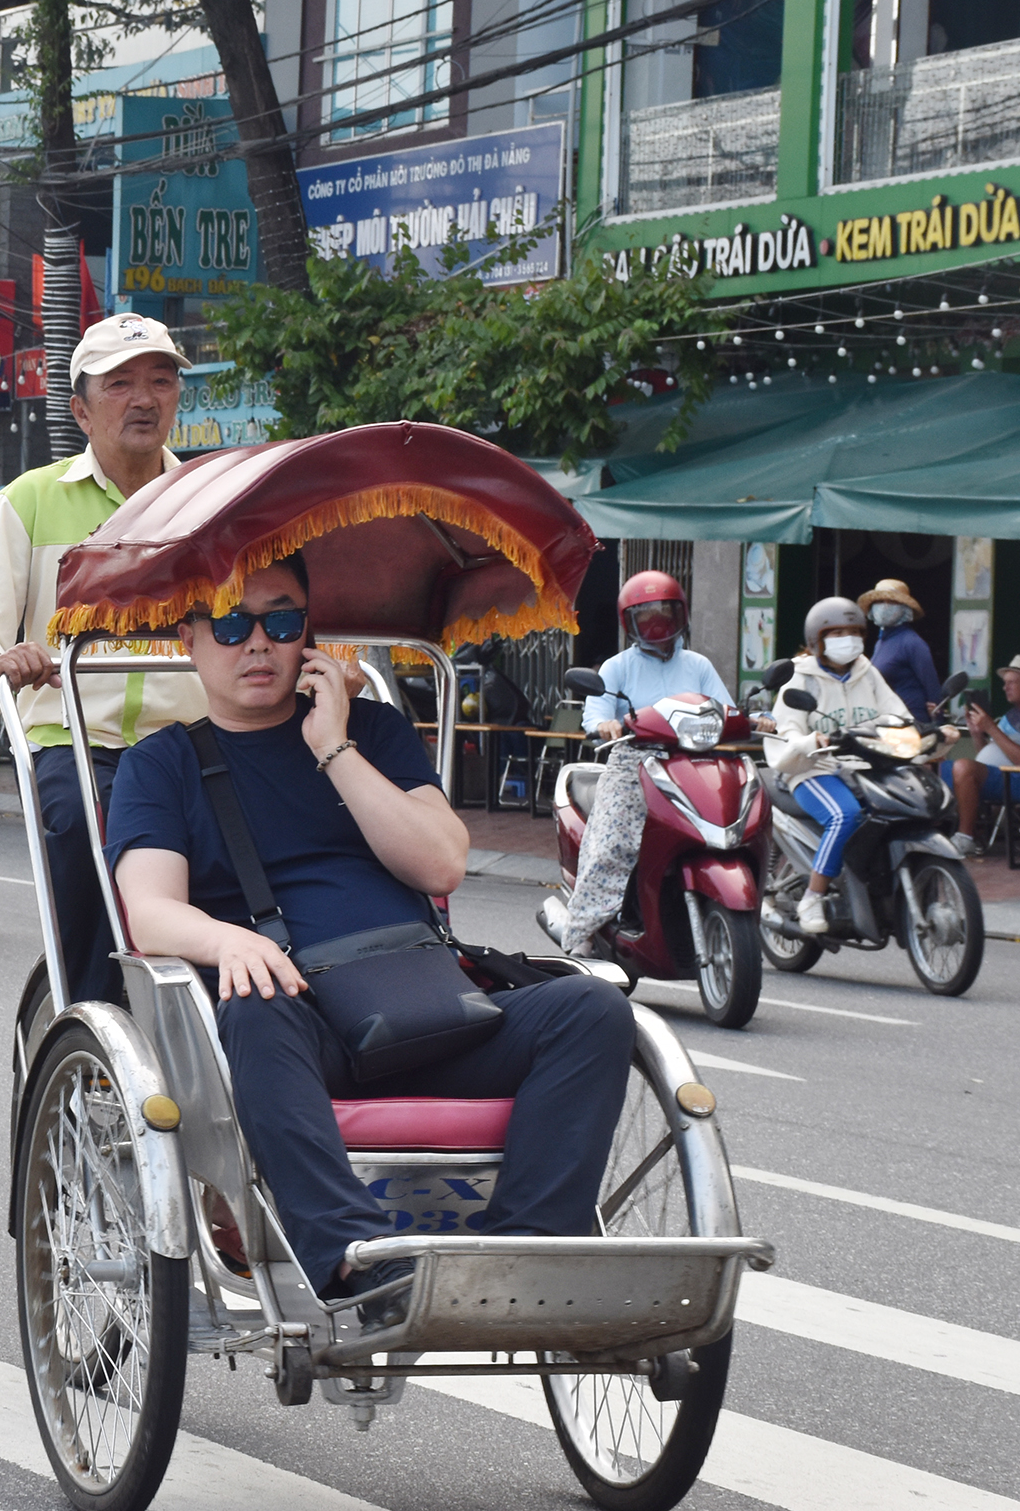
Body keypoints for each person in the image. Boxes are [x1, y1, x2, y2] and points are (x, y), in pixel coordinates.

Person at [105, 552, 633, 1303]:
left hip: (427, 1006)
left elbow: (441, 865)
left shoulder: (372, 731)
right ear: (187, 639)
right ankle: (358, 1257)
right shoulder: (159, 765)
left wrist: (333, 746)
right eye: (229, 623)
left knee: (592, 1010)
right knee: (249, 1007)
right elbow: (149, 910)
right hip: (300, 1025)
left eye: (281, 621)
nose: (256, 643)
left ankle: (526, 1253)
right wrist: (227, 940)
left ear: (308, 637)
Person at [0, 313, 202, 1005]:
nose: (144, 398)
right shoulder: (29, 500)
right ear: (81, 410)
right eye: (121, 384)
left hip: (198, 738)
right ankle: (90, 1012)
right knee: (86, 833)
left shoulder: (211, 502)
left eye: (160, 380)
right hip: (76, 737)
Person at [555, 572, 735, 955]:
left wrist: (754, 719)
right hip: (633, 761)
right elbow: (595, 715)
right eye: (646, 615)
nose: (657, 622)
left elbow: (724, 709)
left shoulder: (698, 664)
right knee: (612, 843)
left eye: (665, 612)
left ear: (681, 614)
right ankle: (583, 929)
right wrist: (605, 725)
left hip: (693, 761)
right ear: (629, 622)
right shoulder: (617, 667)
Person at [764, 597, 922, 936]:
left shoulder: (868, 673)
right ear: (817, 640)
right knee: (845, 815)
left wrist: (925, 731)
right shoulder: (800, 678)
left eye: (854, 632)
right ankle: (813, 895)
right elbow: (784, 736)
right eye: (837, 633)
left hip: (864, 766)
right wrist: (810, 742)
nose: (847, 640)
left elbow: (897, 714)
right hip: (812, 770)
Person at [951, 653, 1020, 857]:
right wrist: (977, 734)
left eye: (1011, 683)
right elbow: (987, 755)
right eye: (1005, 683)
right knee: (934, 768)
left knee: (963, 767)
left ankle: (965, 837)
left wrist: (991, 727)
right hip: (1001, 775)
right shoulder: (1011, 714)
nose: (1005, 687)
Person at [858, 579, 942, 723]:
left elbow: (931, 685)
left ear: (904, 609)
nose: (884, 607)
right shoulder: (881, 642)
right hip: (888, 721)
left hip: (912, 722)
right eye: (879, 602)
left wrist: (938, 723)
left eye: (891, 602)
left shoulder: (912, 642)